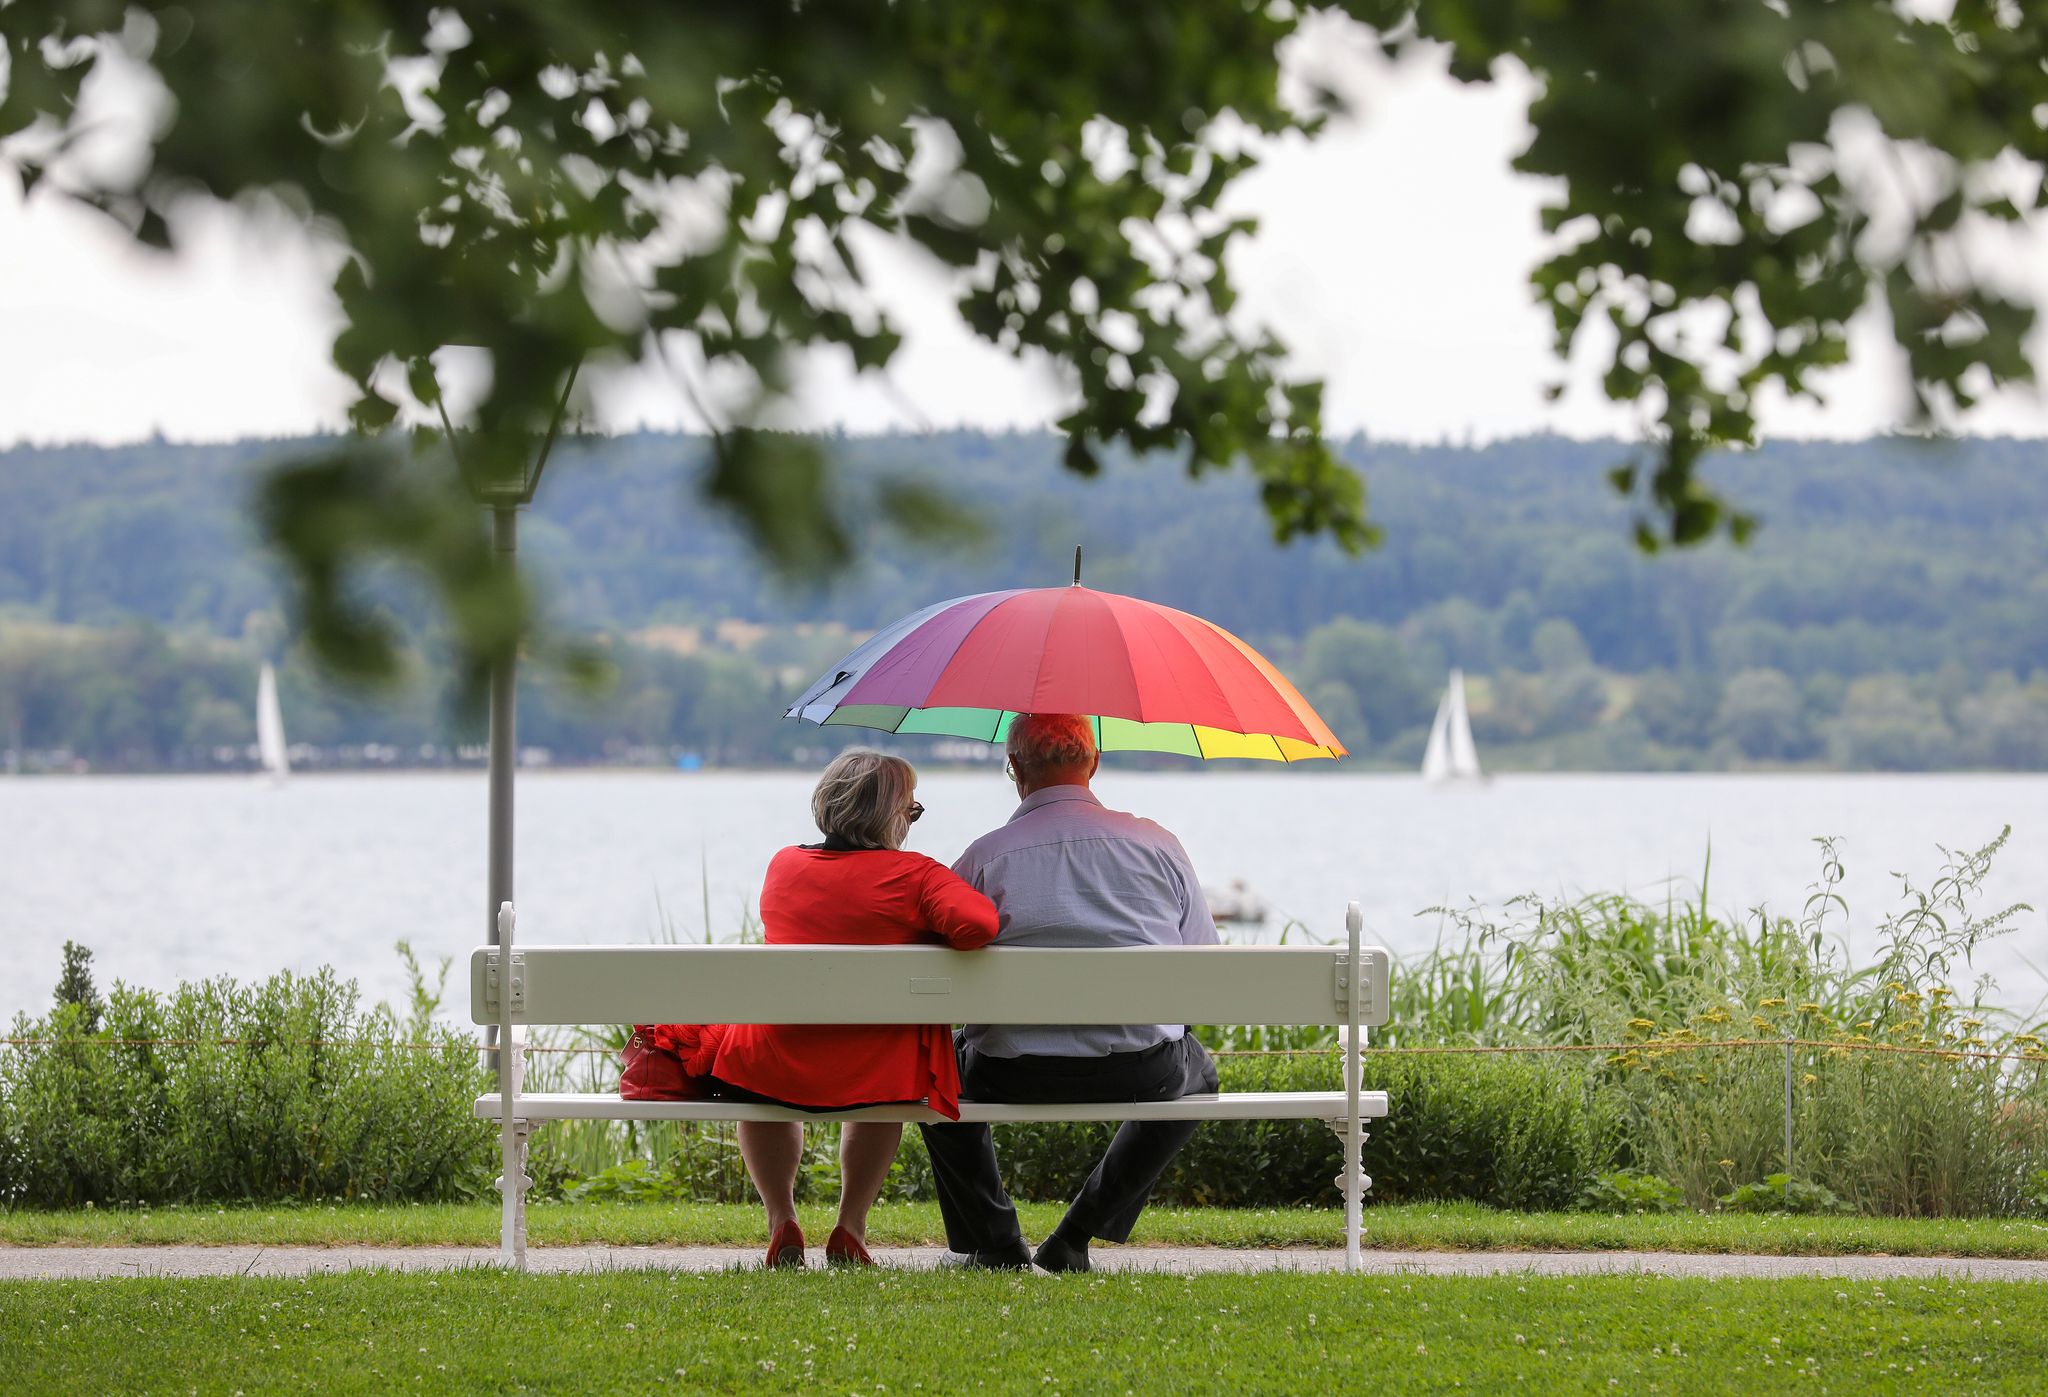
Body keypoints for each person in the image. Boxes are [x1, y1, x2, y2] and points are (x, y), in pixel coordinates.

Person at [669, 748, 998, 1269]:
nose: (910, 824)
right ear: (891, 815)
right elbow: (978, 926)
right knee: (882, 1068)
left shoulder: (785, 866)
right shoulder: (916, 877)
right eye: (911, 811)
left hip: (772, 1060)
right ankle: (850, 1225)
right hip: (872, 1070)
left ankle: (782, 1220)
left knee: (763, 1062)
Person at [919, 712, 1219, 1273]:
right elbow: (1203, 963)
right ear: (1094, 762)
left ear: (1014, 768)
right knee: (1199, 1074)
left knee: (934, 1074)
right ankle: (1076, 1234)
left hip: (1008, 1071)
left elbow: (934, 967)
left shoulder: (986, 856)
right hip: (1140, 1068)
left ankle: (996, 1240)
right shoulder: (1159, 845)